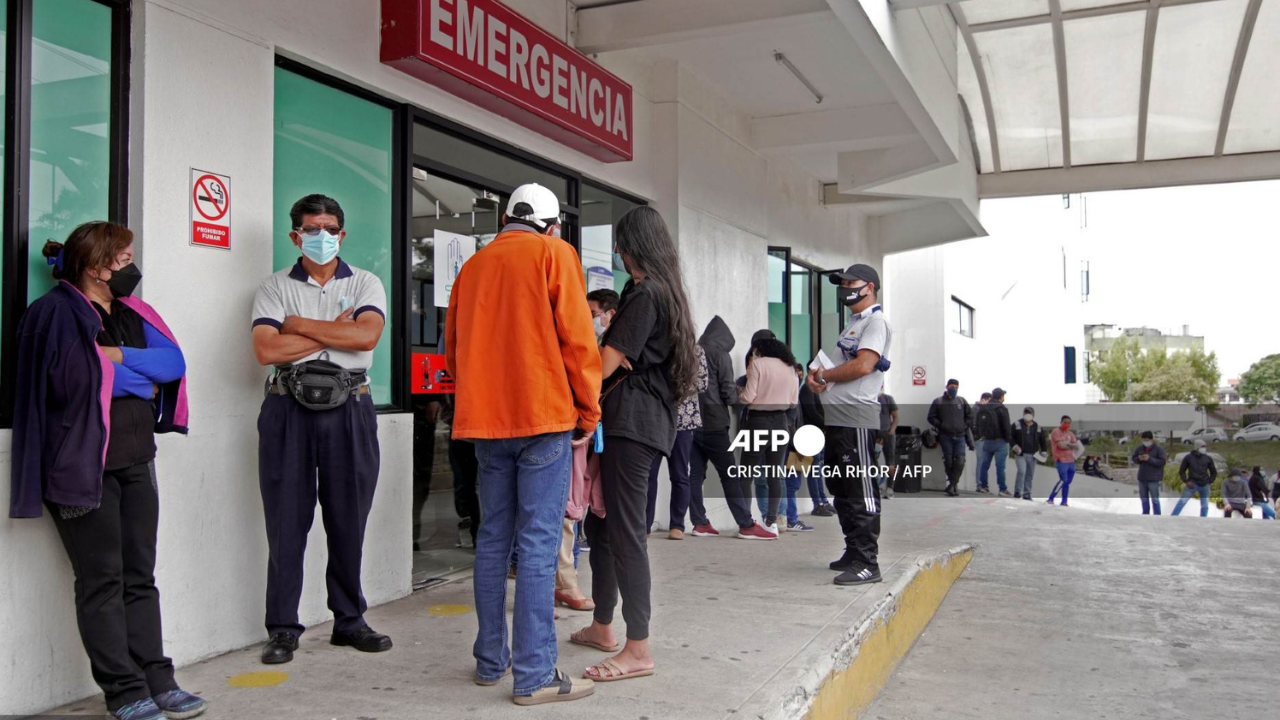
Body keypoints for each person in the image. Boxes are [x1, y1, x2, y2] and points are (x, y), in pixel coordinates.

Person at [10, 222, 203, 720]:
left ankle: (159, 680)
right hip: (80, 468)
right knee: (101, 580)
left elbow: (172, 363)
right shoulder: (53, 314)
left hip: (137, 461)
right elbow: (77, 378)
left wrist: (118, 361)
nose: (132, 266)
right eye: (124, 257)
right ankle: (124, 691)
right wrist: (138, 380)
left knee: (140, 576)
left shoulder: (130, 313)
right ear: (96, 266)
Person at [445, 184, 601, 704]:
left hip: (486, 424)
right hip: (543, 416)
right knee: (537, 544)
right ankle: (534, 676)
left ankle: (491, 661)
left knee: (493, 539)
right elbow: (579, 342)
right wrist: (589, 408)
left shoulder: (473, 267)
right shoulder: (555, 254)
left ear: (507, 218)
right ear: (551, 225)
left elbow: (454, 352)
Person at [252, 195, 392, 666]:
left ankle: (349, 621)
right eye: (312, 228)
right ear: (295, 236)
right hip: (287, 410)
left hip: (349, 409)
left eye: (331, 227)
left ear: (343, 234)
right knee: (286, 523)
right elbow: (268, 351)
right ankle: (283, 629)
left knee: (348, 519)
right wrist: (332, 329)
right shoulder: (273, 287)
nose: (323, 235)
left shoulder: (367, 282)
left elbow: (366, 337)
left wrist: (300, 327)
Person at [573, 206, 699, 683]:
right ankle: (603, 626)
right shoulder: (648, 292)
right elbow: (616, 358)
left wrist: (606, 351)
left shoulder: (648, 294)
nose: (619, 255)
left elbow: (606, 362)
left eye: (622, 246)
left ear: (632, 248)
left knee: (625, 532)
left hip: (634, 425)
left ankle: (638, 648)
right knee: (602, 527)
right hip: (626, 421)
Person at [806, 263, 893, 586]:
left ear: (869, 286)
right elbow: (844, 364)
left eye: (850, 282)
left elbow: (863, 365)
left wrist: (825, 376)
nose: (844, 288)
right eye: (841, 284)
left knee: (859, 490)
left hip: (856, 417)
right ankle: (854, 551)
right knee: (841, 488)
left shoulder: (875, 322)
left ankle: (868, 562)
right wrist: (819, 379)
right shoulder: (854, 324)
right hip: (839, 419)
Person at [687, 317, 773, 539]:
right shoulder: (720, 355)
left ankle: (699, 522)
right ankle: (745, 524)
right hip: (714, 422)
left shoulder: (691, 352)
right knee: (730, 474)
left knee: (695, 475)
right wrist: (741, 395)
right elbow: (726, 392)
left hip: (691, 423)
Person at [739, 336, 800, 535]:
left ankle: (746, 521)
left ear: (760, 349)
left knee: (746, 474)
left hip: (758, 421)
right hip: (780, 423)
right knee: (775, 474)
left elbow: (749, 397)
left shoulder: (758, 365)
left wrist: (739, 394)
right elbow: (793, 402)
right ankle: (772, 522)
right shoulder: (790, 367)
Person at [797, 362, 835, 516]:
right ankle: (817, 503)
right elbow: (811, 412)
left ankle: (823, 500)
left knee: (819, 468)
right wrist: (827, 424)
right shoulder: (807, 389)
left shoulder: (819, 390)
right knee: (814, 470)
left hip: (819, 432)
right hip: (810, 433)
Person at [927, 379, 974, 496]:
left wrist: (965, 424)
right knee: (948, 462)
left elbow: (970, 416)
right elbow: (931, 417)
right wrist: (941, 425)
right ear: (947, 387)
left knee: (960, 461)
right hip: (945, 436)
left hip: (960, 436)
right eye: (952, 386)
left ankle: (952, 485)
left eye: (956, 387)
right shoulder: (938, 401)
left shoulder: (962, 401)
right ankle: (953, 486)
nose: (954, 389)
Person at [974, 388, 1013, 496]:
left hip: (986, 440)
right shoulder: (1002, 408)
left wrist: (979, 435)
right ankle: (1002, 489)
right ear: (1001, 397)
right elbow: (1006, 426)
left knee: (984, 465)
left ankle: (983, 486)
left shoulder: (983, 408)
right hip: (1000, 441)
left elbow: (977, 423)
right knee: (1000, 467)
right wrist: (1008, 439)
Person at [1172, 440, 1218, 517]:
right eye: (1202, 447)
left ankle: (1203, 520)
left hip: (1204, 485)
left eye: (1205, 447)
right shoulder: (1188, 458)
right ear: (1197, 448)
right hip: (1192, 484)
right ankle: (1173, 517)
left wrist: (1209, 481)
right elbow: (1182, 471)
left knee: (1205, 505)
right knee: (1182, 501)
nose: (1205, 448)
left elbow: (1214, 472)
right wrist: (1186, 481)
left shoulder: (1208, 458)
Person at [1011, 406, 1046, 501]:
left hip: (1033, 455)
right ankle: (1017, 492)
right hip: (1020, 454)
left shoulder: (1038, 427)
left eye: (1029, 413)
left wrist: (1044, 451)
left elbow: (1042, 440)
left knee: (1029, 474)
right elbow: (1010, 436)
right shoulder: (1017, 424)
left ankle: (1027, 493)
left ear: (1033, 415)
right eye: (1026, 413)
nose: (1027, 415)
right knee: (1022, 471)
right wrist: (1014, 446)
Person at [1131, 431, 1167, 515]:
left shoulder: (1159, 449)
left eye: (1147, 440)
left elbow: (1162, 462)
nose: (1145, 442)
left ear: (1151, 439)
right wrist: (1139, 459)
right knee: (1144, 499)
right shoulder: (1140, 448)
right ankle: (1145, 514)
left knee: (1155, 499)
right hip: (1142, 478)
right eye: (1143, 440)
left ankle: (1157, 515)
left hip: (1153, 479)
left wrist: (1149, 459)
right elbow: (1134, 458)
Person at [1046, 416, 1079, 506]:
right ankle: (1051, 498)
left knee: (1067, 482)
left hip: (1071, 460)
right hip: (1061, 460)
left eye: (1069, 423)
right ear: (1060, 422)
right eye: (1065, 422)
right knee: (1063, 480)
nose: (1066, 424)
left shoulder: (1070, 434)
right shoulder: (1056, 431)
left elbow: (1077, 445)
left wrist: (1068, 445)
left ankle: (1064, 501)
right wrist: (1071, 445)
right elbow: (1061, 446)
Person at [876, 389, 899, 500]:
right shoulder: (869, 398)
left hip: (888, 434)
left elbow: (895, 417)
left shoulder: (888, 399)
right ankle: (877, 486)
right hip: (874, 435)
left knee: (891, 462)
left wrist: (892, 430)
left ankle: (890, 488)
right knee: (872, 460)